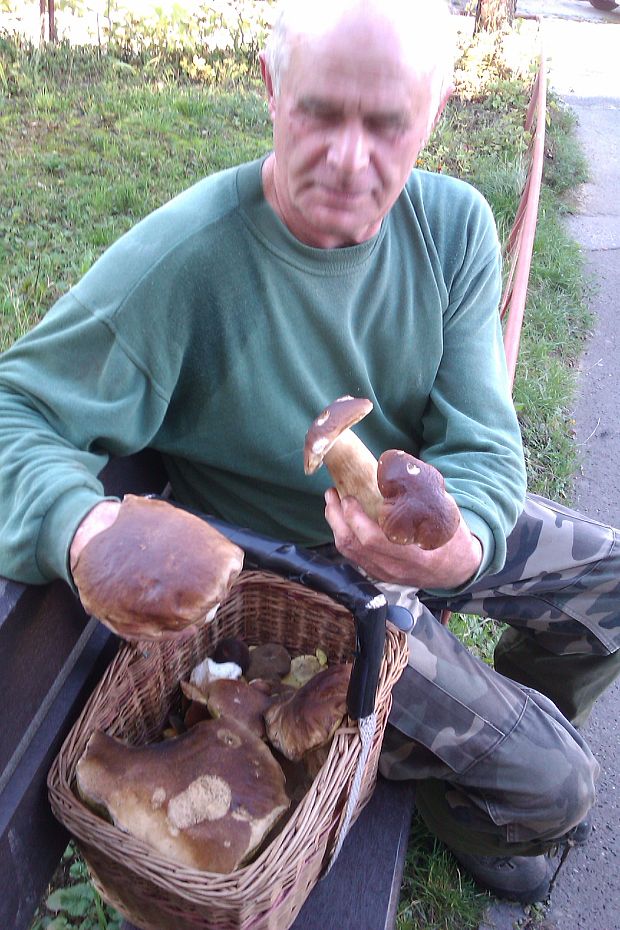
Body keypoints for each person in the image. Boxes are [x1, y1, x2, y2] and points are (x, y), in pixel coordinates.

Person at [0, 0, 618, 904]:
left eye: (386, 124)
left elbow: (482, 443)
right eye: (320, 112)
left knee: (611, 587)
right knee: (558, 787)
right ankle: (477, 787)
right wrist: (84, 526)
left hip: (418, 523)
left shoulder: (450, 227)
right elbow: (14, 410)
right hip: (303, 591)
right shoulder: (186, 260)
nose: (348, 159)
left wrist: (464, 546)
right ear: (270, 88)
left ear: (433, 115)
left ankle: (477, 743)